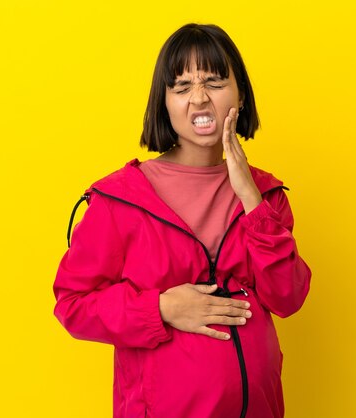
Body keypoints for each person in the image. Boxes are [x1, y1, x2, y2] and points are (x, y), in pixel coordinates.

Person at [53, 23, 312, 418]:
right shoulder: (119, 198)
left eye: (214, 81)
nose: (200, 99)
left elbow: (288, 297)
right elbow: (73, 304)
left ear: (239, 92)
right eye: (182, 87)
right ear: (164, 102)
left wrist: (251, 200)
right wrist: (160, 308)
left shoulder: (266, 195)